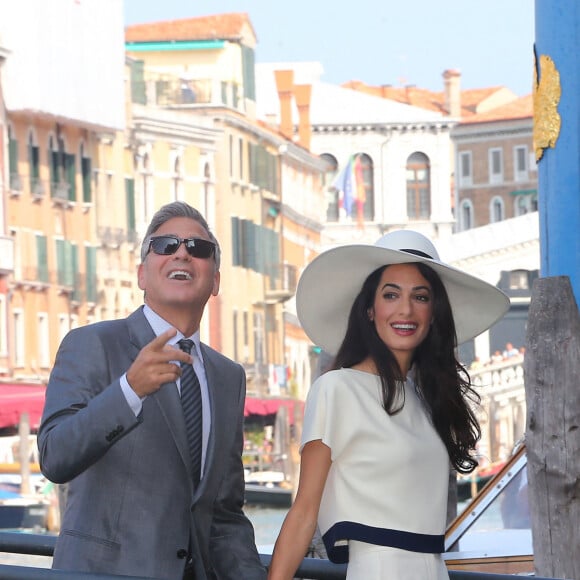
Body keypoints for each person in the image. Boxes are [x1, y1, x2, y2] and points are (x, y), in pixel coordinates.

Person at [38, 201, 266, 580]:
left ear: (215, 281)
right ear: (143, 274)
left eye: (199, 248)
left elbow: (224, 515)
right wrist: (129, 389)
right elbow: (54, 456)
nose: (182, 253)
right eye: (165, 245)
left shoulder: (229, 377)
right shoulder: (91, 344)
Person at [267, 230, 510, 580]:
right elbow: (304, 511)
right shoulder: (337, 389)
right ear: (370, 309)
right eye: (391, 294)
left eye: (421, 296)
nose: (406, 309)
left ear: (433, 312)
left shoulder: (427, 400)